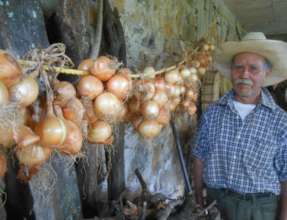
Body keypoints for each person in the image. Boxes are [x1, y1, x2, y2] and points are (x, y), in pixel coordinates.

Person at [192, 32, 287, 220]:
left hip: (259, 209)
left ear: (266, 73)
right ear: (231, 71)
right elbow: (199, 156)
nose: (244, 74)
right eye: (238, 67)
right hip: (215, 204)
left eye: (253, 68)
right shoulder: (213, 112)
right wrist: (197, 198)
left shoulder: (281, 121)